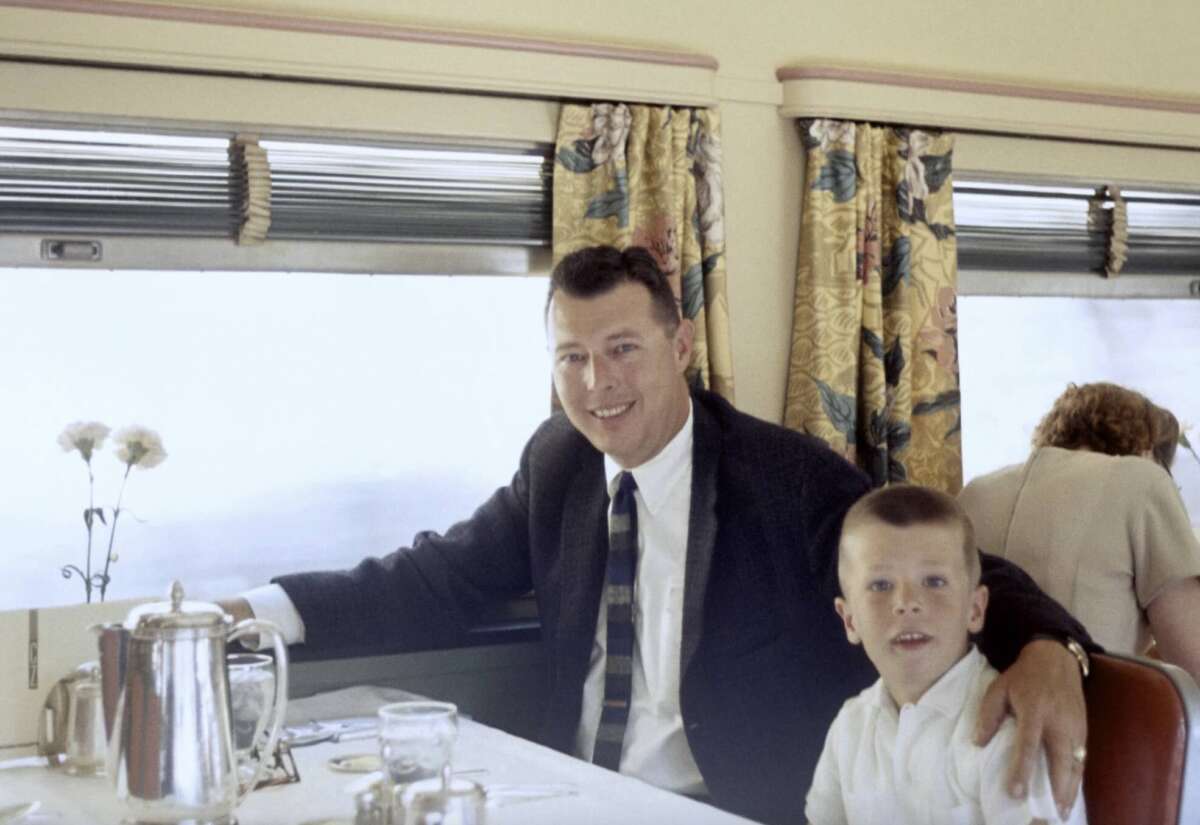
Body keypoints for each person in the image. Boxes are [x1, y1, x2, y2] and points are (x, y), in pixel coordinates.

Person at [224, 245, 1094, 825]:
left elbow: (934, 561)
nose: (598, 383)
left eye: (624, 348)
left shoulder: (783, 478)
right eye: (572, 356)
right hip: (578, 795)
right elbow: (434, 578)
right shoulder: (558, 461)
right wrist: (259, 612)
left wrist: (1051, 645)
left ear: (680, 344)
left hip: (726, 806)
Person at [806, 485, 1087, 825]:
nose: (907, 602)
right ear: (850, 620)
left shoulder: (1004, 731)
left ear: (975, 609)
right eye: (881, 585)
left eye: (934, 581)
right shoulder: (849, 727)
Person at [960, 382, 1200, 685]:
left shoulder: (975, 491)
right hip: (1084, 713)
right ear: (1146, 449)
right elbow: (1193, 662)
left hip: (968, 721)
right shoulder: (1142, 480)